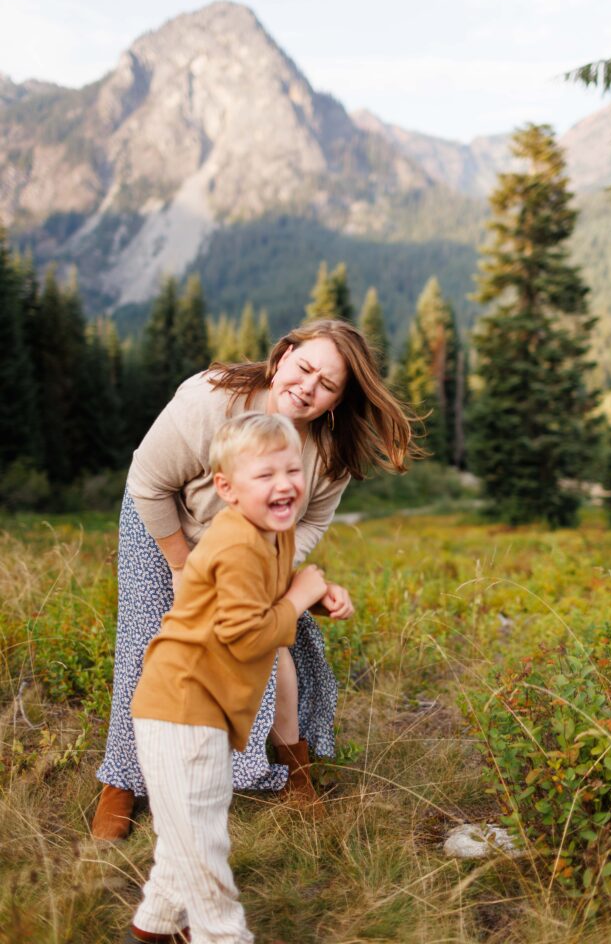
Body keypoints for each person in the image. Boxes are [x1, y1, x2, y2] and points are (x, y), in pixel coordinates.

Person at [93, 318, 414, 841]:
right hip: (167, 521)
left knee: (272, 642)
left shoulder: (329, 452)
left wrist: (269, 566)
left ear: (336, 400)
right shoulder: (210, 402)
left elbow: (309, 522)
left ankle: (295, 773)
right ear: (283, 356)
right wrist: (182, 567)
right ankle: (123, 784)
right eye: (304, 367)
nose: (308, 387)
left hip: (249, 545)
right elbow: (148, 484)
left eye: (327, 384)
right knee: (150, 639)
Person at [129, 412, 349, 944]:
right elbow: (248, 637)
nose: (285, 485)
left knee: (186, 830)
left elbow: (265, 601)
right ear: (226, 489)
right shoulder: (235, 543)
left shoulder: (272, 531)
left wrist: (310, 597)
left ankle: (157, 924)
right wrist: (298, 596)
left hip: (203, 708)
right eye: (265, 475)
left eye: (292, 470)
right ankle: (222, 935)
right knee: (202, 843)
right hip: (182, 706)